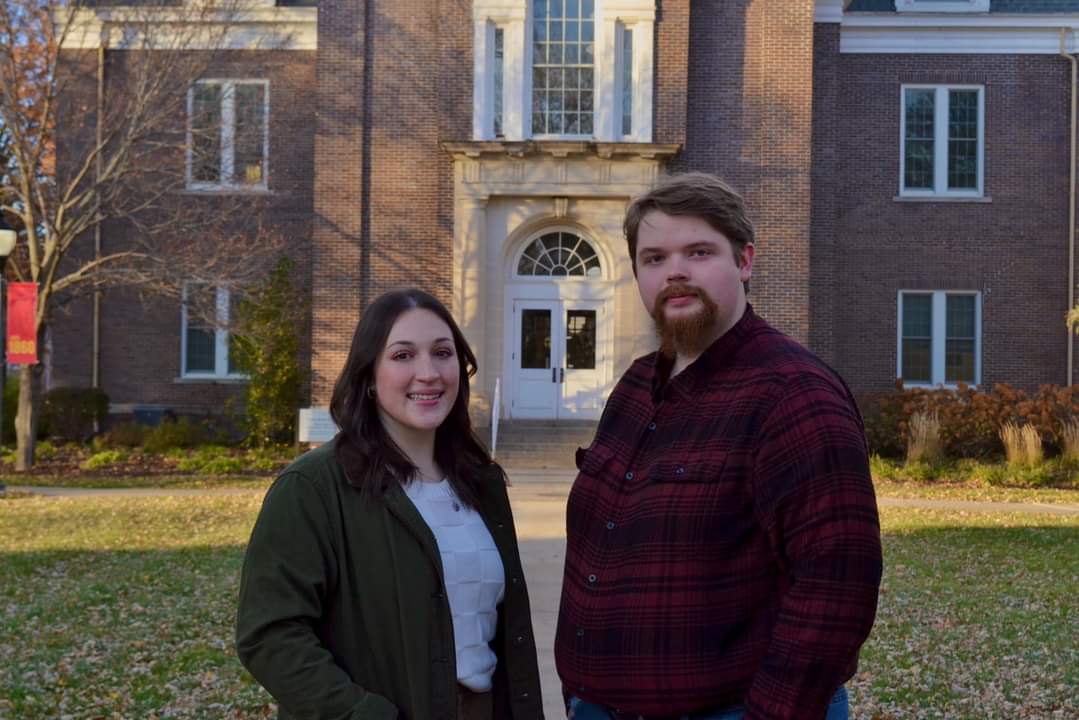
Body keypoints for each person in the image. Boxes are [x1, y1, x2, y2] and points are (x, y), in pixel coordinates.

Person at [555, 173, 883, 720]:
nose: (675, 272)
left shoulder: (794, 394)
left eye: (699, 252)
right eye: (654, 258)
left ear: (745, 261)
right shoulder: (635, 388)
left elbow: (837, 586)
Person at [237, 288, 545, 720]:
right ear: (367, 376)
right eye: (403, 356)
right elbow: (269, 635)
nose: (429, 373)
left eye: (443, 353)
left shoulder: (482, 484)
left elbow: (498, 633)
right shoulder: (312, 488)